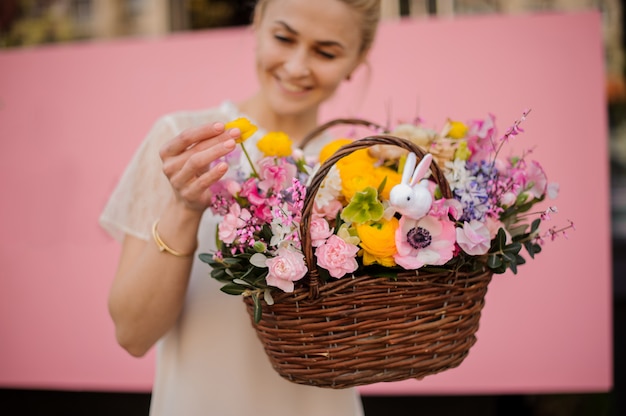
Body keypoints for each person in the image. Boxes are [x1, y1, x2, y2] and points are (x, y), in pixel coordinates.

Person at [99, 0, 381, 415]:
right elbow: (133, 334)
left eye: (326, 52)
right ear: (256, 25)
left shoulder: (364, 169)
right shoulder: (185, 145)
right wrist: (184, 208)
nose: (298, 66)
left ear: (357, 60)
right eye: (284, 38)